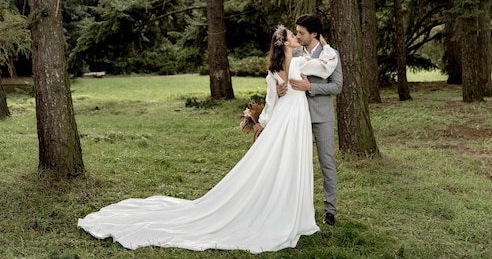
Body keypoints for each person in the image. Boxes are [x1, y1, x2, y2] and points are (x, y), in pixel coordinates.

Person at [77, 25, 338, 253]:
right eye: (294, 35)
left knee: (285, 163)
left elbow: (271, 105)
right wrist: (324, 43)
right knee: (289, 163)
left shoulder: (276, 70)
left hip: (285, 119)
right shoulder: (298, 64)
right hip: (293, 120)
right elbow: (328, 65)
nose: (297, 37)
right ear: (285, 42)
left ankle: (285, 207)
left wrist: (264, 124)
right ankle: (286, 211)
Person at [277, 14, 342, 226]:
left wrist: (311, 87)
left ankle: (329, 210)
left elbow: (337, 86)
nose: (298, 35)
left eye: (302, 33)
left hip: (322, 117)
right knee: (295, 163)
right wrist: (279, 87)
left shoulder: (331, 55)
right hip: (297, 116)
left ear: (314, 34)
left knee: (327, 163)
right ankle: (295, 208)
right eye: (296, 32)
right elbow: (279, 75)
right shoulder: (293, 52)